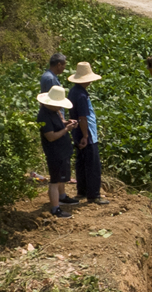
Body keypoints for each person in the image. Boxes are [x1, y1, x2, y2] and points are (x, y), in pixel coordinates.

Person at [67, 61, 109, 205]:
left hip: (76, 132)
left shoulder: (73, 91)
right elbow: (83, 118)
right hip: (87, 133)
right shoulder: (81, 95)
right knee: (92, 165)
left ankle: (82, 191)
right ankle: (94, 195)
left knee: (81, 162)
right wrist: (85, 136)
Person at [36, 83, 79, 217]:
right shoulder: (44, 116)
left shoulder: (55, 111)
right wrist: (67, 129)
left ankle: (62, 196)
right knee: (55, 180)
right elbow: (51, 136)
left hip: (62, 151)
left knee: (61, 178)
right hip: (55, 153)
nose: (61, 107)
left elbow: (59, 124)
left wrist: (67, 123)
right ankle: (55, 208)